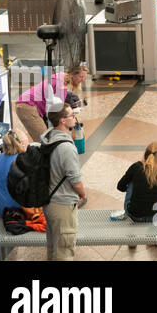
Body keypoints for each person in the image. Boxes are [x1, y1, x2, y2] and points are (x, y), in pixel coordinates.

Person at [42, 106, 87, 261]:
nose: (75, 117)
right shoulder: (66, 147)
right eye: (72, 115)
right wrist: (82, 193)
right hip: (62, 204)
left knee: (54, 247)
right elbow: (75, 180)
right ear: (62, 120)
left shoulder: (48, 138)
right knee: (64, 252)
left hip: (49, 201)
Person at [14, 62, 89, 140]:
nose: (83, 79)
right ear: (73, 74)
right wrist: (71, 113)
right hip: (27, 106)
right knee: (44, 140)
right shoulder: (60, 83)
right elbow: (58, 111)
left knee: (47, 138)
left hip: (29, 104)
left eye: (84, 77)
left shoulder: (61, 78)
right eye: (81, 76)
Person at [115, 141, 157, 224]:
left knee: (131, 183)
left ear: (146, 153)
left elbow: (120, 187)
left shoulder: (137, 167)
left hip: (135, 215)